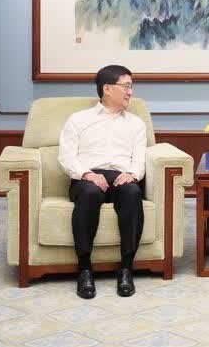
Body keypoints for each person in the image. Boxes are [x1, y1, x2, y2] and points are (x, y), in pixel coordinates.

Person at [58, 65, 147, 299]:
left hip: (121, 175)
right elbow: (66, 157)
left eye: (131, 87)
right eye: (126, 86)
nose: (130, 92)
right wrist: (87, 174)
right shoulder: (79, 119)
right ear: (107, 89)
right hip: (87, 178)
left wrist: (133, 174)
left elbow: (139, 158)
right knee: (90, 194)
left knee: (132, 193)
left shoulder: (136, 123)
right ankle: (85, 270)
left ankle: (126, 269)